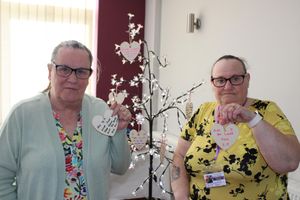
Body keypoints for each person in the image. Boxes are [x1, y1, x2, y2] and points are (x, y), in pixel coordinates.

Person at [0, 40, 132, 200]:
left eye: (81, 71)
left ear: (89, 76)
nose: (73, 79)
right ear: (50, 71)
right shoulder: (22, 115)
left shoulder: (101, 110)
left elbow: (120, 167)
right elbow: (2, 176)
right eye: (64, 69)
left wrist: (119, 131)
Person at [171, 55, 300, 199]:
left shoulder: (267, 111)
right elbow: (179, 155)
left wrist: (252, 119)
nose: (227, 86)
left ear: (247, 80)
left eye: (235, 79)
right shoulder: (203, 111)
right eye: (220, 80)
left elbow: (290, 162)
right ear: (212, 83)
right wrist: (180, 196)